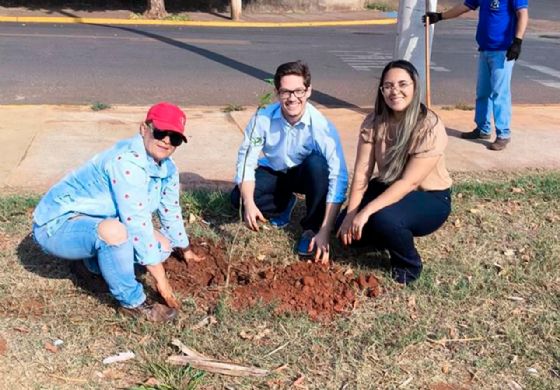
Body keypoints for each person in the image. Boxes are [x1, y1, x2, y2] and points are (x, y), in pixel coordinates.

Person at [32, 102, 202, 322]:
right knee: (116, 233)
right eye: (160, 132)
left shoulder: (167, 168)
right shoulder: (126, 162)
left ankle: (90, 266)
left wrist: (185, 248)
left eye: (175, 138)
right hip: (58, 225)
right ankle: (133, 303)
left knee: (162, 248)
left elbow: (170, 209)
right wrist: (161, 280)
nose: (167, 141)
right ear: (144, 129)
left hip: (96, 220)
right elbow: (137, 223)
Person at [336, 60, 452, 284]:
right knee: (346, 233)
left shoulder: (429, 126)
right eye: (388, 86)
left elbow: (408, 183)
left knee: (384, 218)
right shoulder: (373, 121)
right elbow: (362, 171)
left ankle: (408, 264)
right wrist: (351, 214)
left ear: (414, 87)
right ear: (381, 91)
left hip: (428, 196)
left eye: (402, 84)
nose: (395, 91)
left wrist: (366, 211)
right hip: (388, 184)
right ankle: (383, 233)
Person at [231, 60, 348, 263]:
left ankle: (310, 228)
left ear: (308, 91)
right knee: (238, 199)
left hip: (306, 174)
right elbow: (246, 162)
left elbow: (339, 175)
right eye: (286, 92)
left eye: (298, 91)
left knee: (318, 165)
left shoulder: (321, 126)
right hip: (276, 172)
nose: (292, 98)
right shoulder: (262, 118)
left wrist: (325, 229)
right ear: (277, 93)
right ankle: (284, 205)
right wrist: (249, 202)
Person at [424, 0, 529, 151]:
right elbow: (465, 7)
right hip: (485, 49)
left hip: (503, 51)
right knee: (483, 92)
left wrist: (517, 41)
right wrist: (440, 16)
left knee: (500, 94)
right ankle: (483, 129)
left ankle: (503, 134)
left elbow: (522, 14)